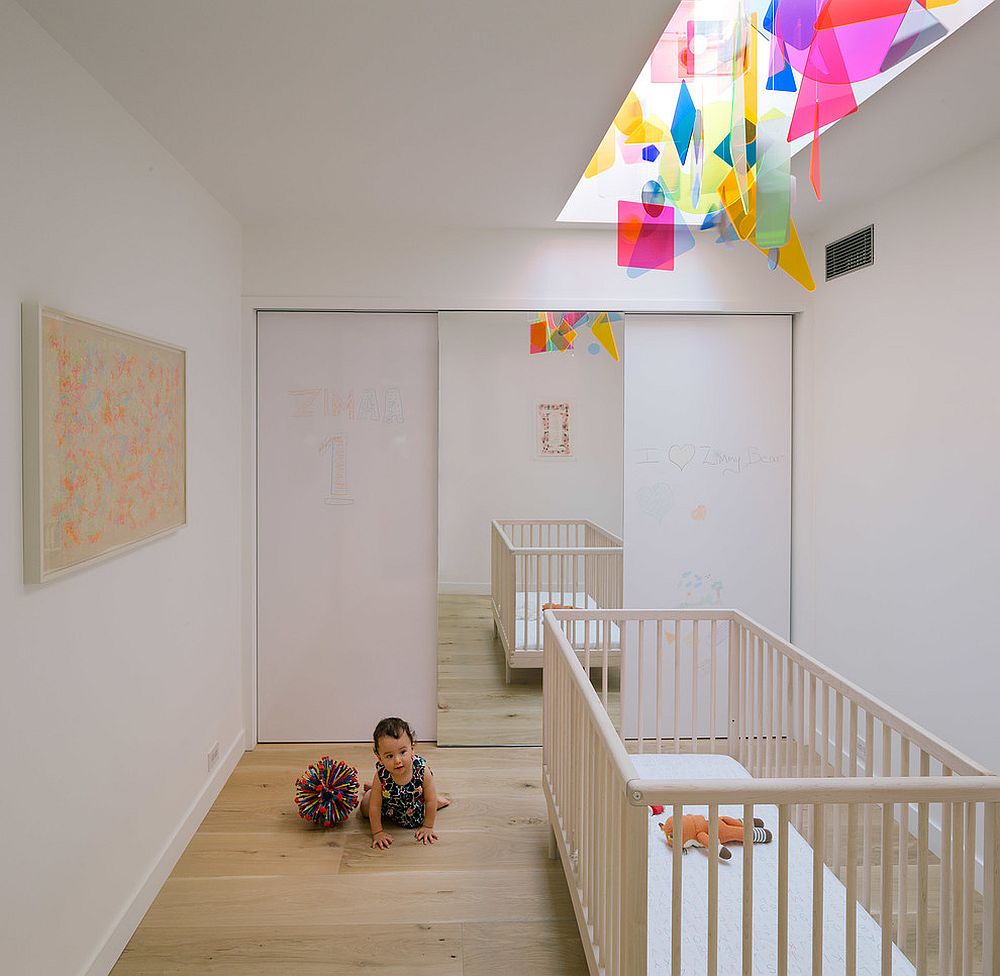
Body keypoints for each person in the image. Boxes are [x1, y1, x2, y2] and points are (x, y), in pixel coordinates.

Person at [360, 716, 449, 848]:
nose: (397, 760)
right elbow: (375, 807)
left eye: (402, 752)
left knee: (432, 801)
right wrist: (377, 833)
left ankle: (438, 798)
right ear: (379, 758)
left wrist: (428, 826)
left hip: (415, 804)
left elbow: (429, 802)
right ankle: (375, 790)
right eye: (389, 756)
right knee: (365, 808)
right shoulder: (381, 775)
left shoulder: (422, 770)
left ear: (412, 749)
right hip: (391, 805)